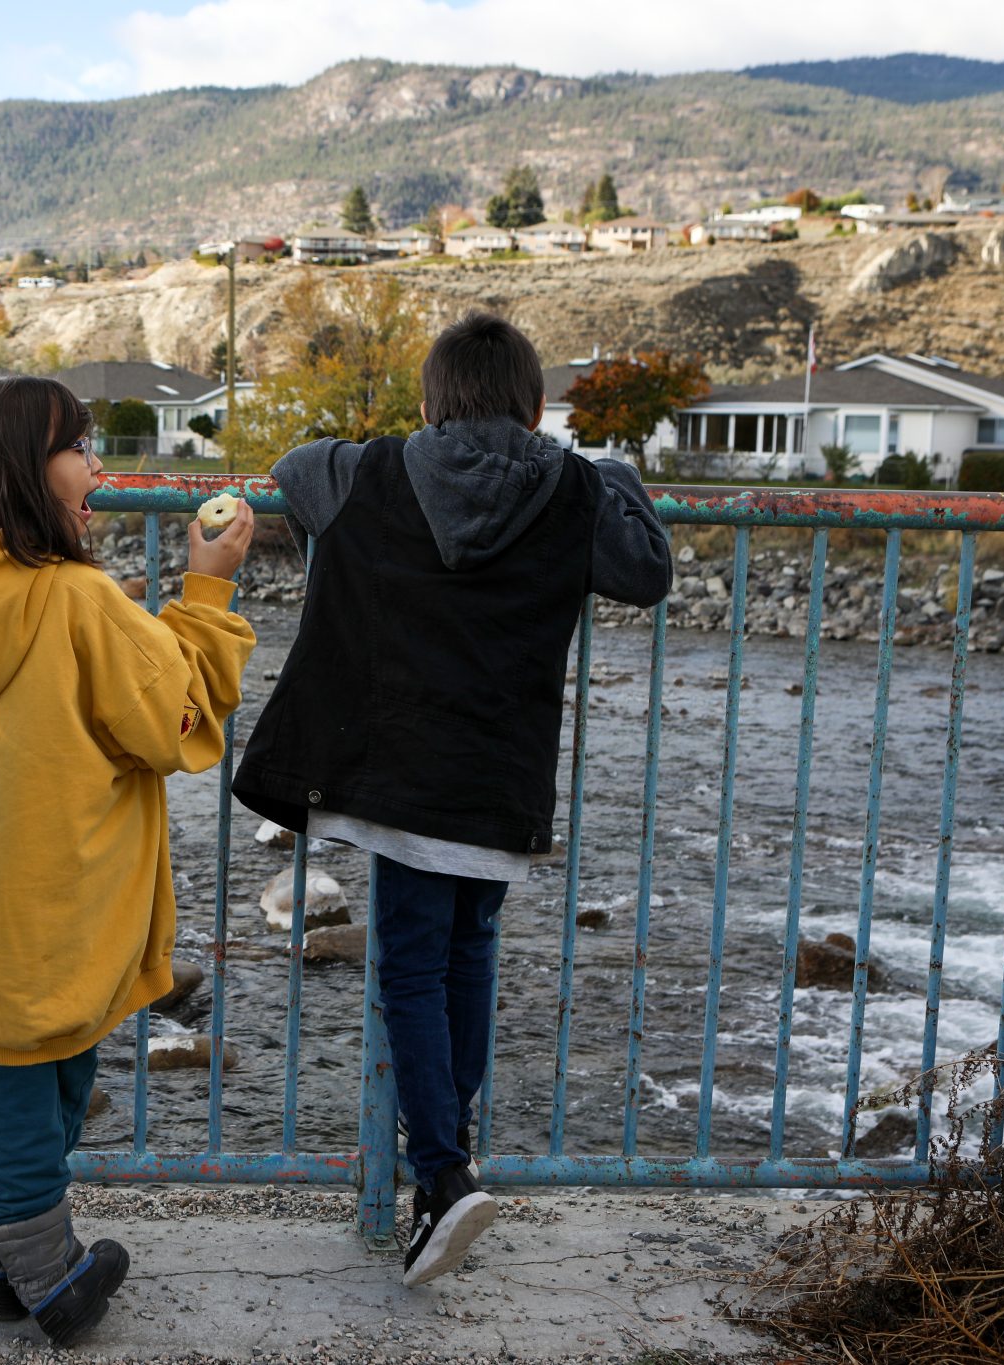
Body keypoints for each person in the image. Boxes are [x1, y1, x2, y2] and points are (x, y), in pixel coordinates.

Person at [233, 312, 671, 1286]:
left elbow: (295, 466)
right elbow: (645, 570)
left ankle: (437, 1176)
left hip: (395, 774)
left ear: (429, 400)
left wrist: (390, 445)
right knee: (467, 954)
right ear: (536, 405)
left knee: (407, 975)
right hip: (500, 779)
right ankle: (451, 1148)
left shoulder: (375, 470)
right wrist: (611, 472)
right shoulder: (570, 486)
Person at [0, 376, 257, 1345]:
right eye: (79, 448)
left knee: (32, 1076)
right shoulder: (78, 600)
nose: (99, 468)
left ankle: (5, 1263)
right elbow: (174, 721)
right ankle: (48, 1279)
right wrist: (205, 589)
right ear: (22, 473)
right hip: (59, 899)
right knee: (35, 1087)